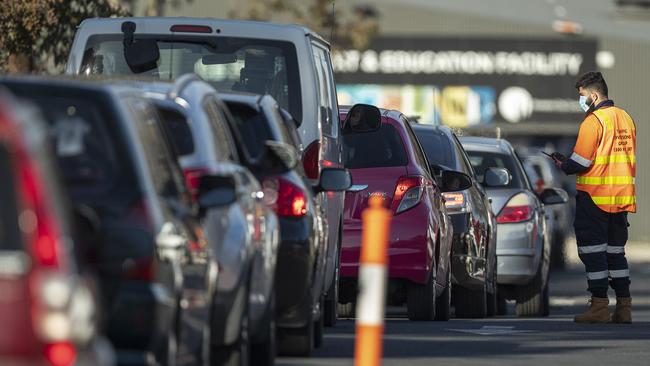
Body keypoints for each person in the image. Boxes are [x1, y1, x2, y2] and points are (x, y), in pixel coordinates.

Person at [553, 71, 636, 324]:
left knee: (593, 252)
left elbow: (581, 161)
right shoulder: (626, 119)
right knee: (616, 253)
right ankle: (624, 307)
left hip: (595, 196)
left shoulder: (594, 121)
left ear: (594, 94)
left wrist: (564, 164)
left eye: (581, 96)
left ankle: (599, 306)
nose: (581, 101)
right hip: (620, 198)